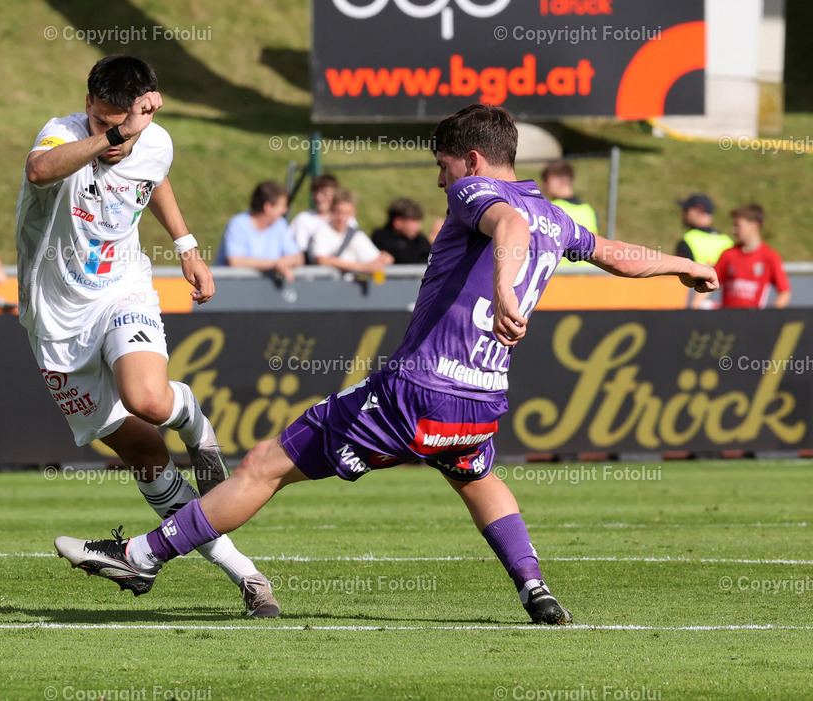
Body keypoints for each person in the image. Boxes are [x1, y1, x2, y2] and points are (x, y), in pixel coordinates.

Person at [55, 103, 718, 625]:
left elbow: (507, 229)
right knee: (477, 477)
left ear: (476, 161)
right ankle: (536, 589)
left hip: (417, 391)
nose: (440, 180)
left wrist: (509, 289)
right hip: (482, 399)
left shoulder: (480, 196)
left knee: (266, 463)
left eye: (444, 166)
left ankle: (141, 557)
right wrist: (683, 263)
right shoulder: (555, 216)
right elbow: (613, 253)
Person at [18, 54, 279, 617]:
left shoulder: (156, 140)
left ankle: (195, 423)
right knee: (142, 452)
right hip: (55, 323)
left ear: (151, 105)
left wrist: (186, 247)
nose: (114, 135)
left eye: (128, 120)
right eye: (102, 119)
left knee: (148, 400)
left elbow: (153, 176)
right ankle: (247, 576)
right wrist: (112, 134)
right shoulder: (63, 135)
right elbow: (39, 170)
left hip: (122, 292)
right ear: (89, 105)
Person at [215, 181, 304, 283]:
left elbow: (298, 258)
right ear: (268, 206)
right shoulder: (238, 225)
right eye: (282, 206)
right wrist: (274, 264)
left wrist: (284, 262)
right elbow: (236, 261)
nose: (285, 210)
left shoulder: (280, 225)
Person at [711, 203, 790, 309]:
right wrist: (696, 305)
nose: (734, 230)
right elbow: (710, 282)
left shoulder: (770, 256)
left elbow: (784, 292)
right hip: (727, 321)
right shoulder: (728, 254)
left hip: (754, 322)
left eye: (738, 226)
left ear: (754, 225)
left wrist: (771, 318)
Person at [309, 190, 393, 274]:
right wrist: (363, 267)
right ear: (331, 211)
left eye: (346, 213)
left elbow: (375, 261)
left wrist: (385, 259)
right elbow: (322, 260)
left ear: (353, 213)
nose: (341, 218)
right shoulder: (321, 232)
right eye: (338, 212)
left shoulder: (357, 235)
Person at [541, 160, 598, 270]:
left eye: (547, 180)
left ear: (563, 180)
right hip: (586, 275)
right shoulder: (587, 210)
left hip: (559, 275)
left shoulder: (552, 208)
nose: (543, 184)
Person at [288, 173, 339, 262]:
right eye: (316, 192)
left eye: (325, 193)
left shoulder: (347, 219)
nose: (319, 197)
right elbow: (298, 251)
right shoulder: (303, 219)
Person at [675, 193, 732, 266]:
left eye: (686, 210)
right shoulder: (728, 241)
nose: (682, 214)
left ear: (698, 211)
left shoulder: (688, 240)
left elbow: (682, 273)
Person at [371, 197, 432, 265]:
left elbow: (429, 258)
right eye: (414, 221)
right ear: (398, 222)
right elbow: (402, 258)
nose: (419, 226)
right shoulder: (380, 237)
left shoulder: (419, 239)